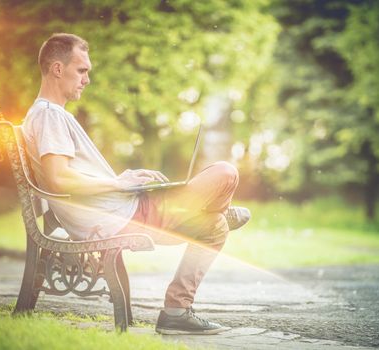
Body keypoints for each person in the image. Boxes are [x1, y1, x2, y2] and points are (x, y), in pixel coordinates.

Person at [22, 33, 250, 335]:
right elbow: (58, 178)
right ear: (57, 69)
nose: (87, 79)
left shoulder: (51, 115)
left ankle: (176, 312)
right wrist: (119, 184)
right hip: (120, 217)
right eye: (82, 70)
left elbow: (68, 176)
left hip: (123, 209)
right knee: (225, 173)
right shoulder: (49, 116)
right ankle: (221, 209)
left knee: (214, 228)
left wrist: (126, 181)